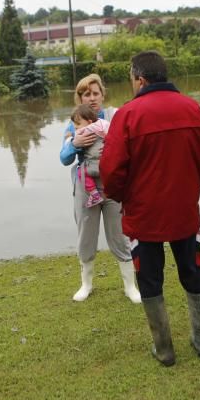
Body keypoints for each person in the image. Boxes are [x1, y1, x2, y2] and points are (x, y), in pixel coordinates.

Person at [100, 51, 200, 366]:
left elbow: (111, 173)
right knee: (192, 270)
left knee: (150, 279)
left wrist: (124, 197)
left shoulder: (127, 115)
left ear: (139, 79)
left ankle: (164, 348)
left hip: (143, 216)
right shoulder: (193, 109)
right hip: (185, 213)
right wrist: (187, 187)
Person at [59, 73, 141, 304]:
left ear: (103, 95)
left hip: (113, 187)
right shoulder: (73, 124)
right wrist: (74, 145)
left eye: (96, 93)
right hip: (85, 189)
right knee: (86, 235)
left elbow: (131, 149)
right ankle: (86, 284)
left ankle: (130, 287)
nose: (92, 98)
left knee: (120, 235)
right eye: (87, 94)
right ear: (79, 98)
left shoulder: (115, 117)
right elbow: (64, 159)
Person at [71, 103, 109, 208]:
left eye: (78, 124)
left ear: (89, 122)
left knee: (80, 172)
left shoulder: (85, 131)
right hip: (107, 166)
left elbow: (75, 137)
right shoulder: (104, 124)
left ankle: (94, 194)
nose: (76, 128)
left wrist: (73, 140)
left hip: (93, 167)